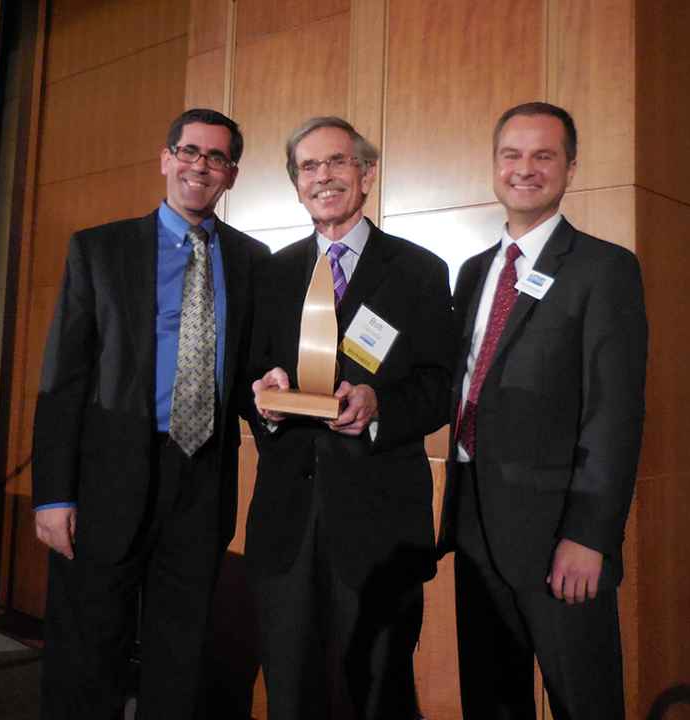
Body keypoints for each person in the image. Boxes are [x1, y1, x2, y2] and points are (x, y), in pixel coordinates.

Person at [32, 108, 269, 720]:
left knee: (181, 651)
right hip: (106, 480)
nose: (201, 166)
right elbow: (63, 381)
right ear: (166, 158)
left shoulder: (253, 260)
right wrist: (52, 496)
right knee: (89, 652)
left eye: (216, 158)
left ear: (232, 175)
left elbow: (252, 371)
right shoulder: (98, 249)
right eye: (190, 151)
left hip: (202, 476)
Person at [438, 102, 647, 719]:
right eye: (512, 155)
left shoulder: (604, 269)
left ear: (570, 168)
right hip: (474, 521)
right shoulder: (475, 272)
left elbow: (615, 414)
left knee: (584, 703)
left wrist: (590, 534)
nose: (524, 169)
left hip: (560, 536)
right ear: (494, 165)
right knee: (492, 701)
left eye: (543, 156)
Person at [246, 116, 452, 719]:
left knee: (379, 692)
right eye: (309, 167)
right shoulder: (272, 272)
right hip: (286, 522)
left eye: (338, 162)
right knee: (291, 691)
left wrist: (379, 406)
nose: (324, 176)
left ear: (366, 173)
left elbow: (442, 387)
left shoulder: (418, 270)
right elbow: (244, 379)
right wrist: (267, 397)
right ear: (295, 183)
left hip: (379, 522)